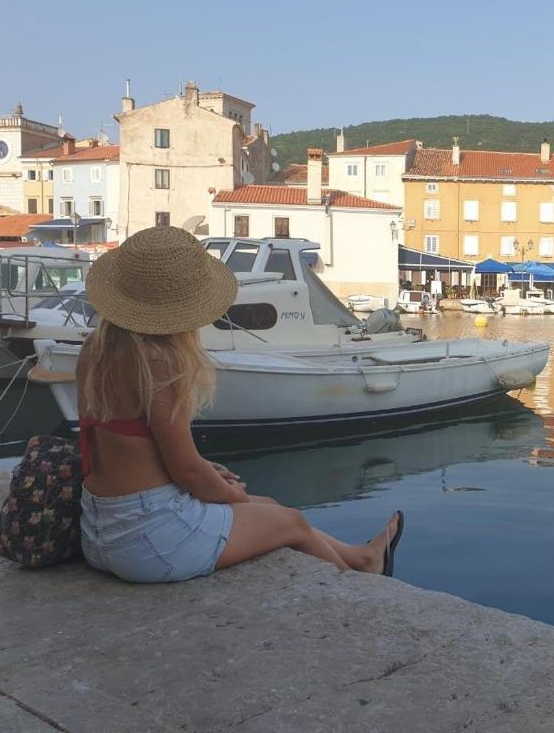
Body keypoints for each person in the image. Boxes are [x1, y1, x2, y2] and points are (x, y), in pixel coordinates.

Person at [78, 226, 403, 584]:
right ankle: (362, 587)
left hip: (101, 528)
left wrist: (208, 471)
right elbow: (187, 473)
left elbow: (125, 447)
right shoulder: (158, 362)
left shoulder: (96, 348)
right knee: (290, 522)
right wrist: (228, 491)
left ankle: (361, 557)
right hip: (151, 541)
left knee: (270, 508)